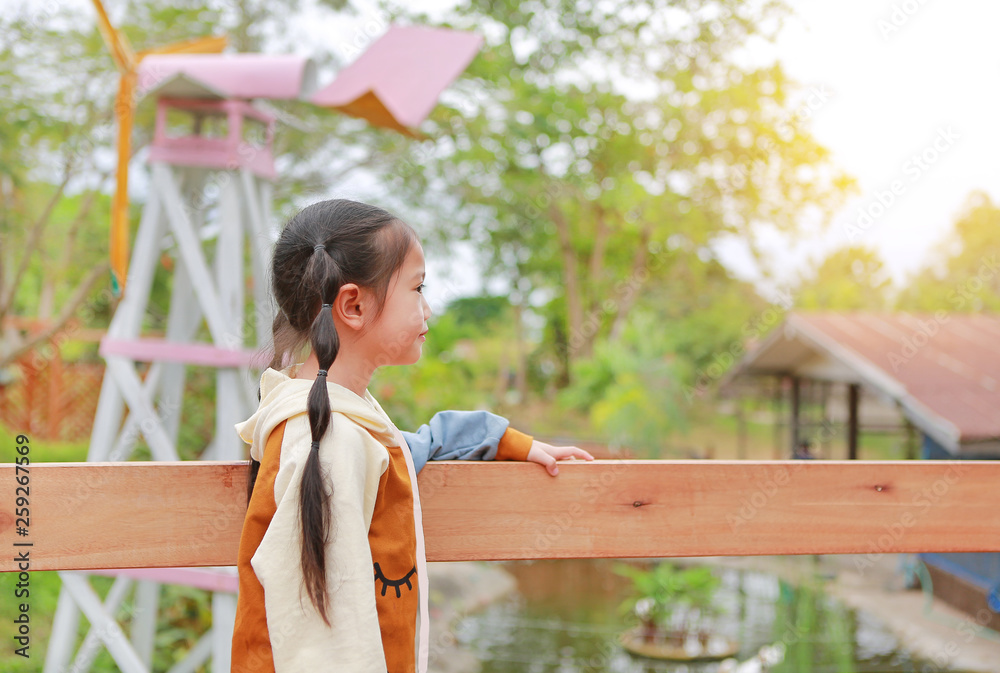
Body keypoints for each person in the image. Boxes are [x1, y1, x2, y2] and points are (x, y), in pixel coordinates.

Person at [230, 199, 593, 673]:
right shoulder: (326, 443)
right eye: (418, 287)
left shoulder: (347, 423)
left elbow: (414, 445)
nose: (428, 307)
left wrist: (508, 442)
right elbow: (318, 642)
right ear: (354, 305)